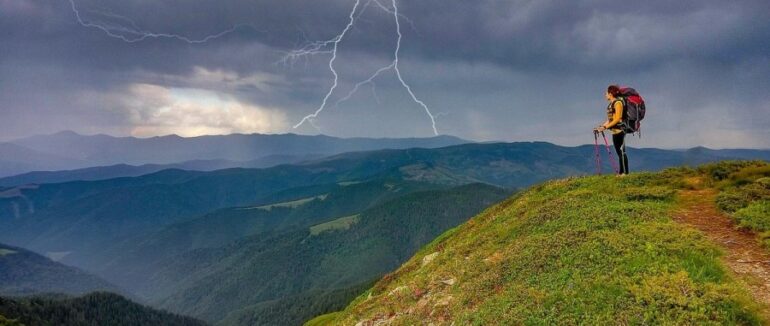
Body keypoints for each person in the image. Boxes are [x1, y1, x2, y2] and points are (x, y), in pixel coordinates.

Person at [595, 85, 629, 175]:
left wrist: (605, 127)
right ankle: (621, 173)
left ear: (611, 94)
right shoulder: (610, 105)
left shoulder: (618, 103)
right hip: (614, 132)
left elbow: (617, 118)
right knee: (619, 153)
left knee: (621, 152)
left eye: (606, 93)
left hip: (620, 131)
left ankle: (625, 173)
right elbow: (610, 120)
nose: (605, 95)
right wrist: (601, 127)